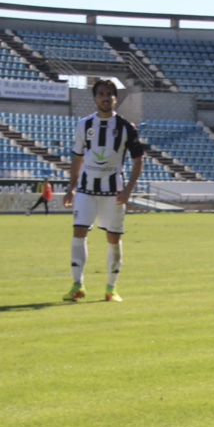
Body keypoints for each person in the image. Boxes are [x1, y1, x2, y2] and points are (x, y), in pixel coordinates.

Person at [62, 79, 145, 302]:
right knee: (78, 233)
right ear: (95, 98)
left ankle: (111, 288)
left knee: (113, 239)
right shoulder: (84, 125)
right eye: (101, 94)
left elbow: (138, 160)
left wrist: (128, 190)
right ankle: (77, 285)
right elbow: (77, 157)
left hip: (114, 192)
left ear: (115, 98)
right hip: (86, 190)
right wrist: (71, 188)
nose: (105, 97)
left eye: (109, 94)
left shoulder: (127, 127)